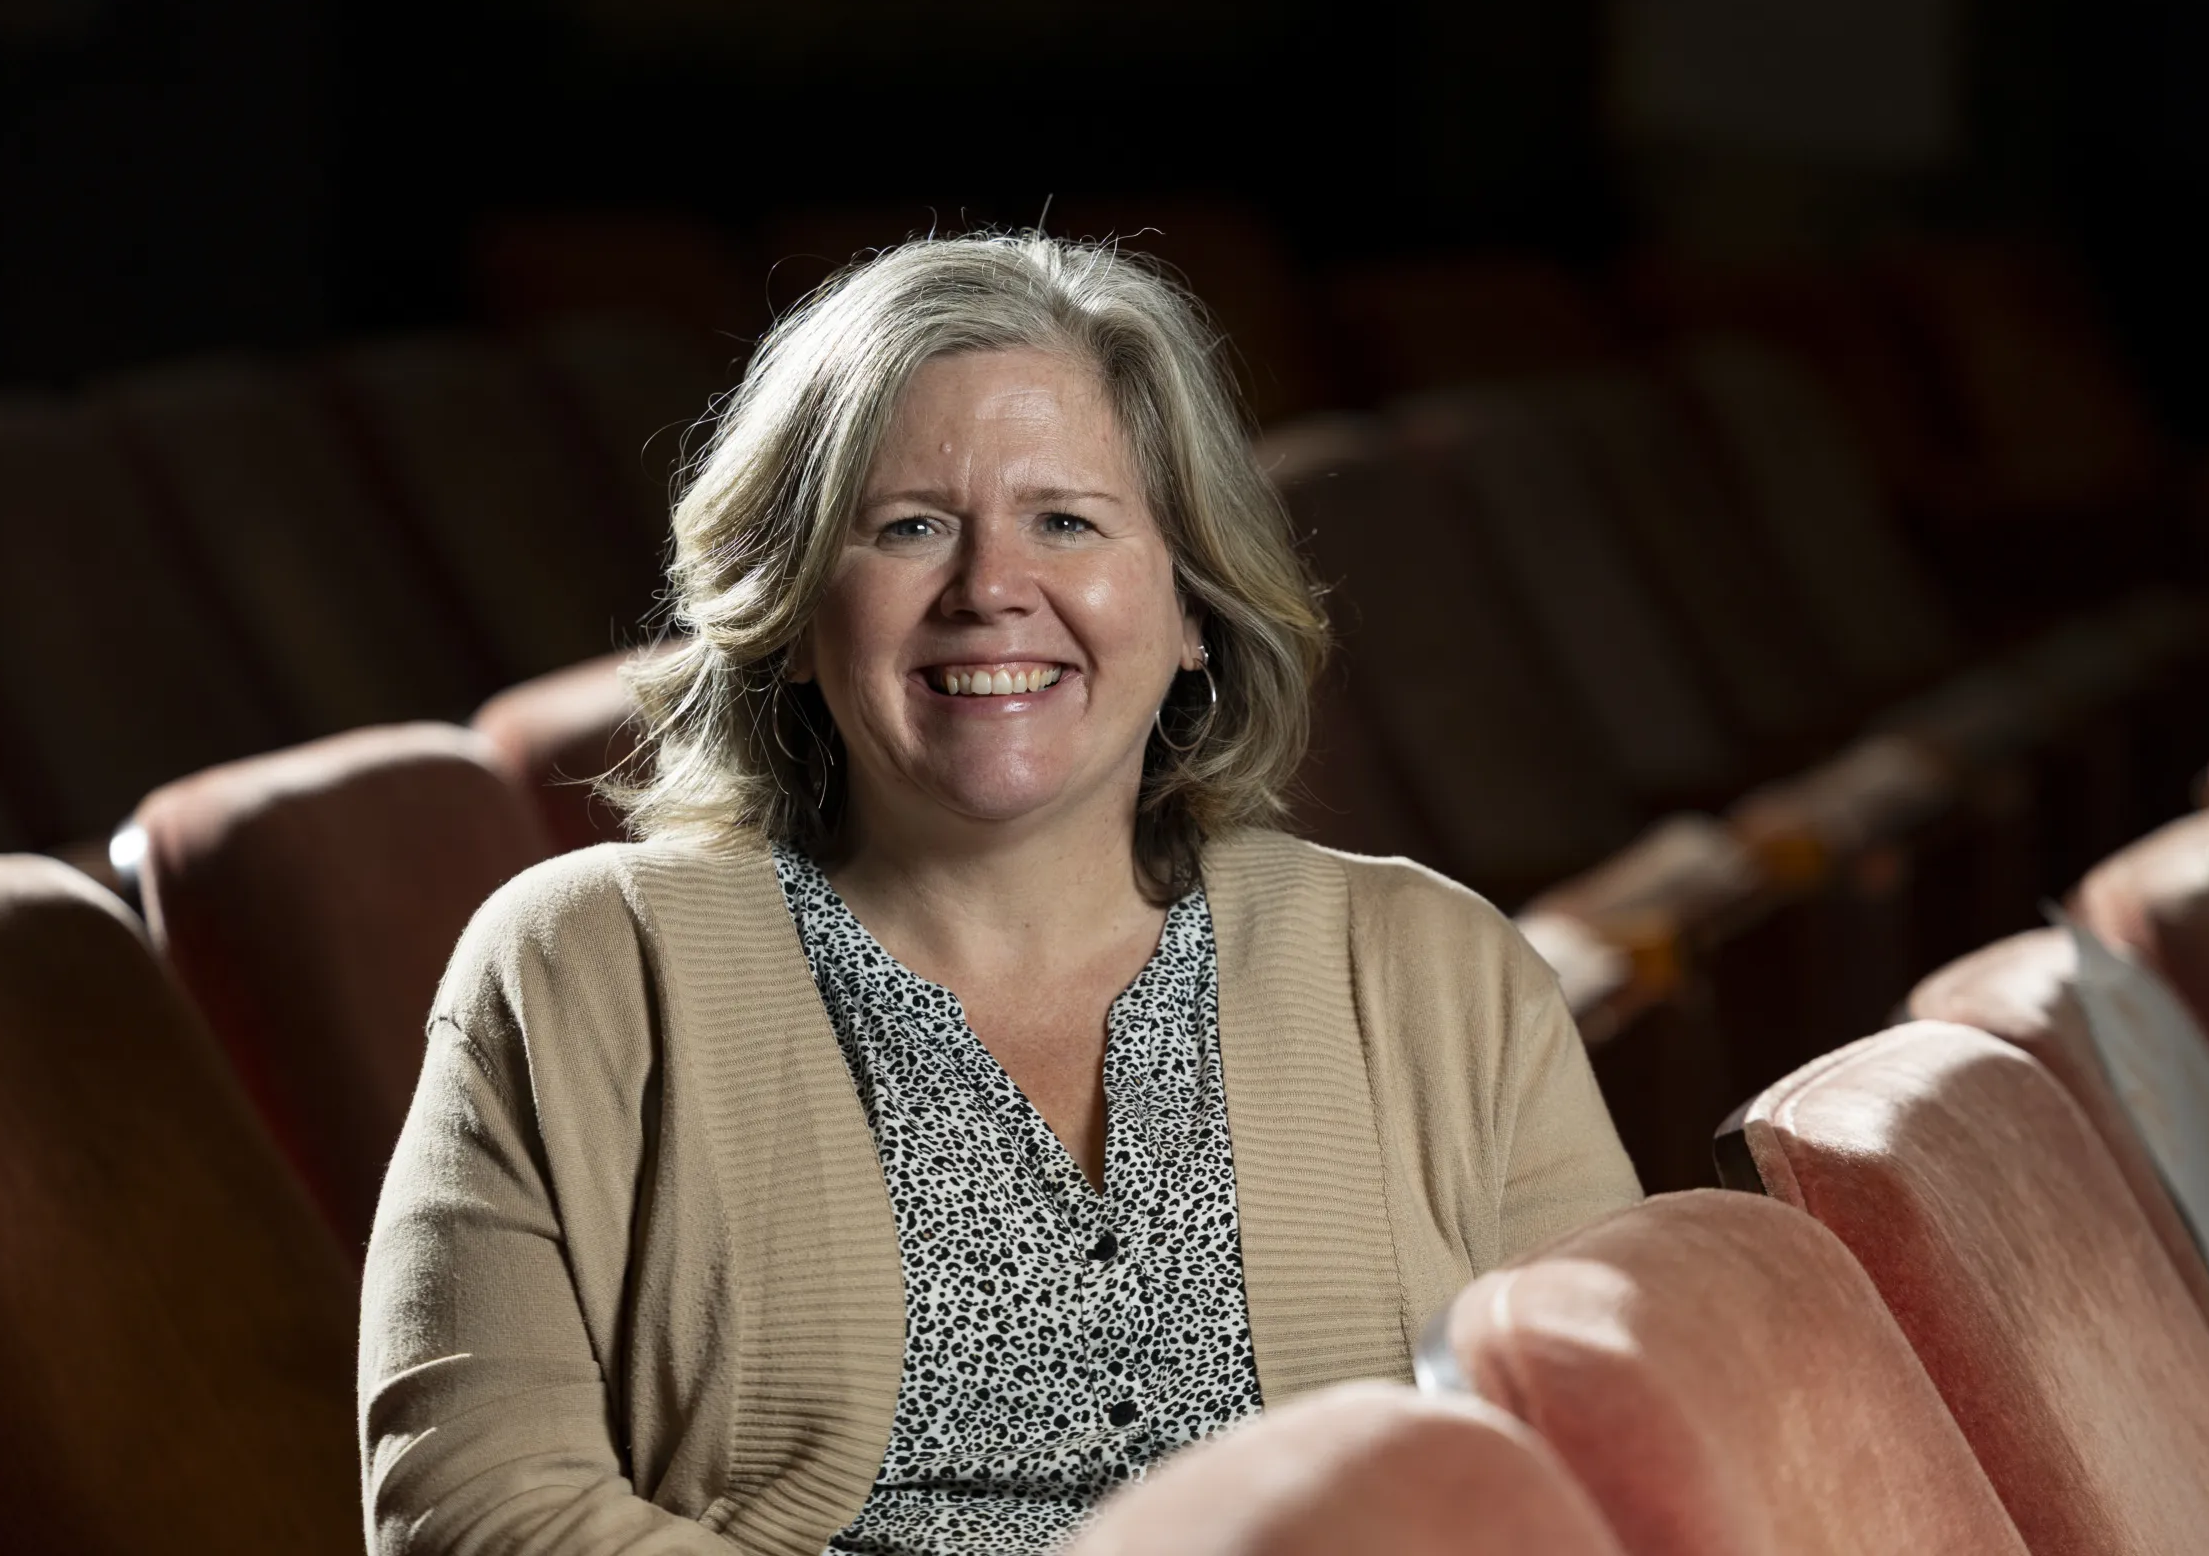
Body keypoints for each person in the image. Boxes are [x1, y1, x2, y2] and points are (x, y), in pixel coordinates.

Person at [357, 232, 1640, 1556]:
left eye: (1067, 522)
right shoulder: (585, 966)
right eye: (910, 528)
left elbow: (1618, 1456)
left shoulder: (1437, 970)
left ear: (1193, 601)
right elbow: (471, 1509)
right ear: (793, 615)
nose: (989, 592)